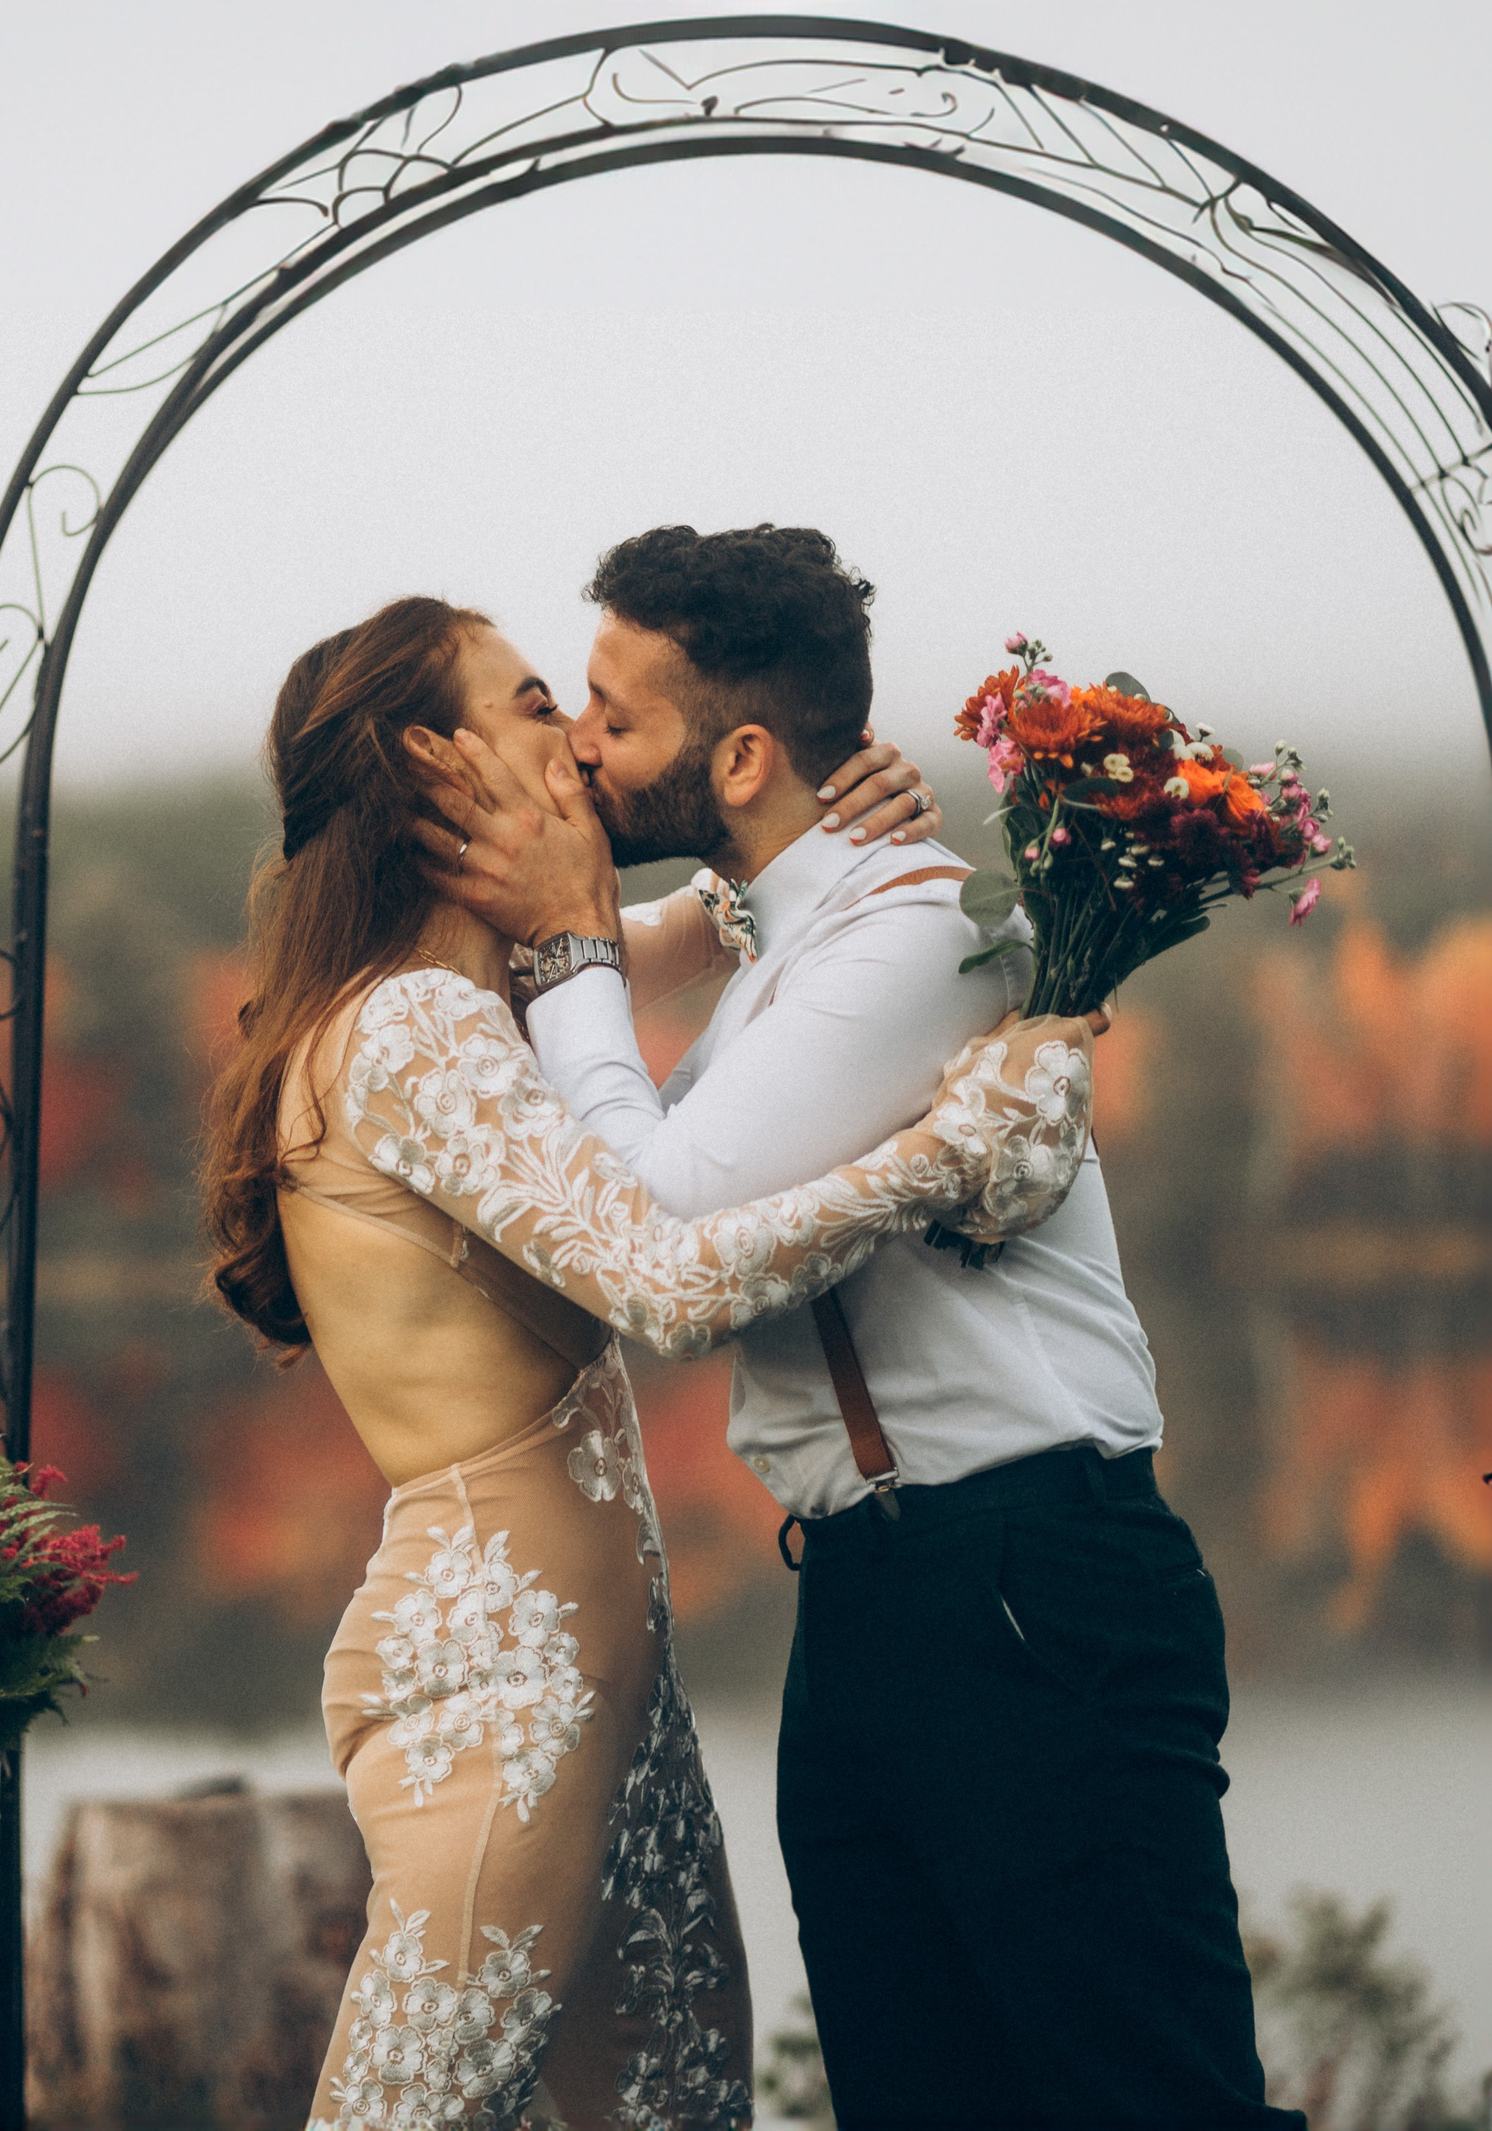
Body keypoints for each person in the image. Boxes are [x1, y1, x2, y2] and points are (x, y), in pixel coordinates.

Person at [411, 524, 1299, 2131]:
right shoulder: (782, 953)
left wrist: (575, 950)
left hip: (1026, 1581)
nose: (585, 748)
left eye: (612, 712)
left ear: (739, 753)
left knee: (1149, 2102)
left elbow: (659, 1227)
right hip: (877, 1593)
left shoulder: (914, 936)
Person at [197, 592, 1099, 2131]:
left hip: (608, 1678)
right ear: (436, 758)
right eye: (539, 700)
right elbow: (665, 1277)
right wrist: (946, 1155)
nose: (578, 738)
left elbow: (711, 927)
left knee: (680, 2112)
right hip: (500, 1681)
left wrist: (835, 821)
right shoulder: (412, 1026)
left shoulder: (476, 993)